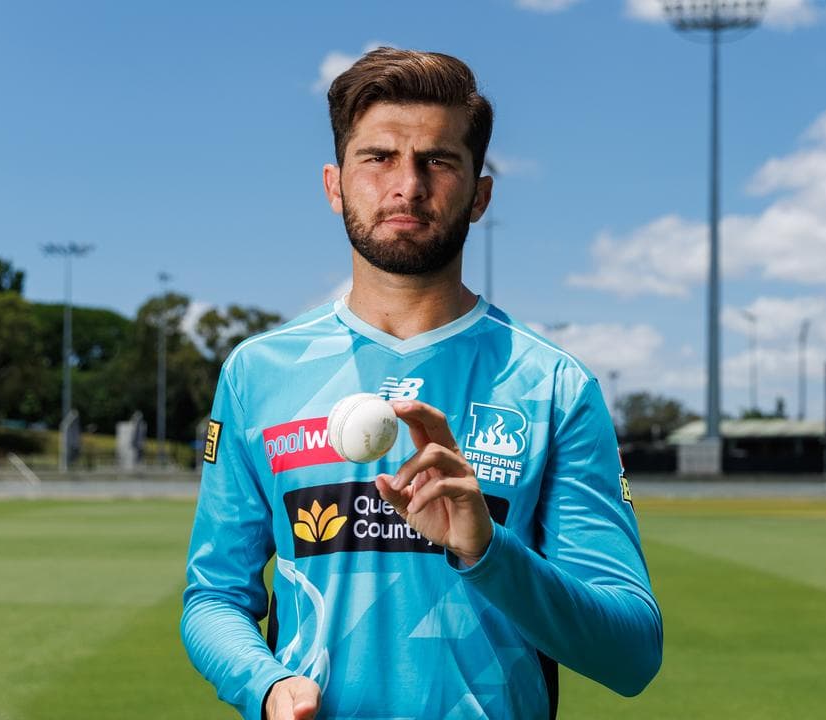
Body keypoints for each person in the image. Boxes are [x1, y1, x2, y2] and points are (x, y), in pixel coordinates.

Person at [181, 47, 662, 720]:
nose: (407, 185)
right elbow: (214, 597)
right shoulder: (257, 372)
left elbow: (632, 654)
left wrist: (488, 551)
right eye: (378, 158)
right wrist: (262, 683)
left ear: (480, 195)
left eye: (437, 161)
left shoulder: (553, 384)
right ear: (334, 185)